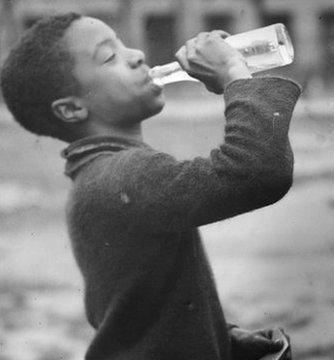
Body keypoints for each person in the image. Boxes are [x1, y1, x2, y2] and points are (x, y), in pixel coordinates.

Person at [0, 13, 300, 360]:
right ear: (71, 109)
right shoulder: (121, 176)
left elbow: (148, 312)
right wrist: (235, 74)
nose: (137, 54)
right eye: (110, 56)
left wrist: (222, 340)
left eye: (123, 44)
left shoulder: (104, 173)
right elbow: (256, 171)